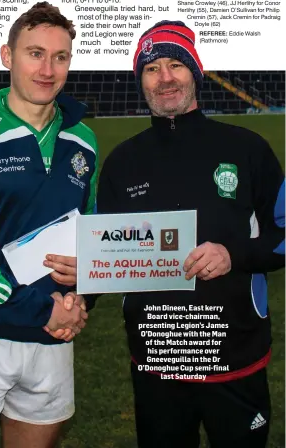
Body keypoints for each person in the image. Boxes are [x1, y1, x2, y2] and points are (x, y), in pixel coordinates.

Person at [96, 20, 285, 448]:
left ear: (195, 72)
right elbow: (101, 256)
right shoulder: (122, 163)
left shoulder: (249, 148)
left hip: (233, 354)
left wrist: (234, 255)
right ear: (140, 81)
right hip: (158, 359)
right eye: (152, 68)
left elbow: (283, 235)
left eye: (175, 64)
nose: (165, 77)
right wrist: (74, 296)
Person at [0, 3, 98, 447]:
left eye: (60, 57)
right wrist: (38, 309)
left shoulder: (83, 142)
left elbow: (92, 233)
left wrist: (82, 294)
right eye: (35, 53)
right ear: (7, 56)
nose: (48, 69)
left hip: (53, 339)